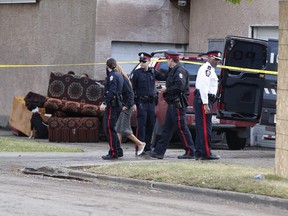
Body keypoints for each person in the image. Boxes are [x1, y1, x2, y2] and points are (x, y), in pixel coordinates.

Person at [147, 50, 195, 159]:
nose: (167, 62)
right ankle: (159, 152)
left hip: (178, 104)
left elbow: (180, 86)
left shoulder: (180, 71)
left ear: (170, 59)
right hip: (172, 103)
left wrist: (166, 89)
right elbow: (165, 77)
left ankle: (190, 151)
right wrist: (153, 71)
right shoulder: (172, 70)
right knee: (167, 128)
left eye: (167, 59)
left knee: (181, 128)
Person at [130, 52, 162, 152]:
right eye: (140, 61)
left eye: (144, 61)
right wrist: (134, 103)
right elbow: (132, 89)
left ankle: (148, 147)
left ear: (149, 62)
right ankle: (140, 146)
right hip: (141, 102)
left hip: (151, 102)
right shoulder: (137, 73)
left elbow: (163, 76)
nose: (141, 63)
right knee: (141, 125)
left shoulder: (152, 72)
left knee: (150, 124)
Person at [194, 51, 222, 160]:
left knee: (201, 127)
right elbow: (204, 86)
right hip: (203, 100)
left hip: (204, 100)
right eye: (215, 59)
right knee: (205, 128)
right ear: (209, 58)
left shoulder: (209, 69)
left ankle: (199, 151)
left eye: (218, 60)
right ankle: (206, 153)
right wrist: (205, 103)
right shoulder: (207, 69)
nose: (217, 62)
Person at [115, 64, 146, 155]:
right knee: (118, 129)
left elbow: (130, 94)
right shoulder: (121, 79)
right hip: (123, 106)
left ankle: (140, 143)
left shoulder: (124, 80)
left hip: (127, 107)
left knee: (124, 129)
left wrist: (128, 106)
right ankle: (117, 149)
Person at [100, 58, 124, 160]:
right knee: (112, 128)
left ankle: (113, 152)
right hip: (116, 104)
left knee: (109, 129)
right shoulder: (118, 74)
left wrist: (105, 102)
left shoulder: (113, 76)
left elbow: (112, 91)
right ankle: (118, 150)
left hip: (112, 105)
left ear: (107, 66)